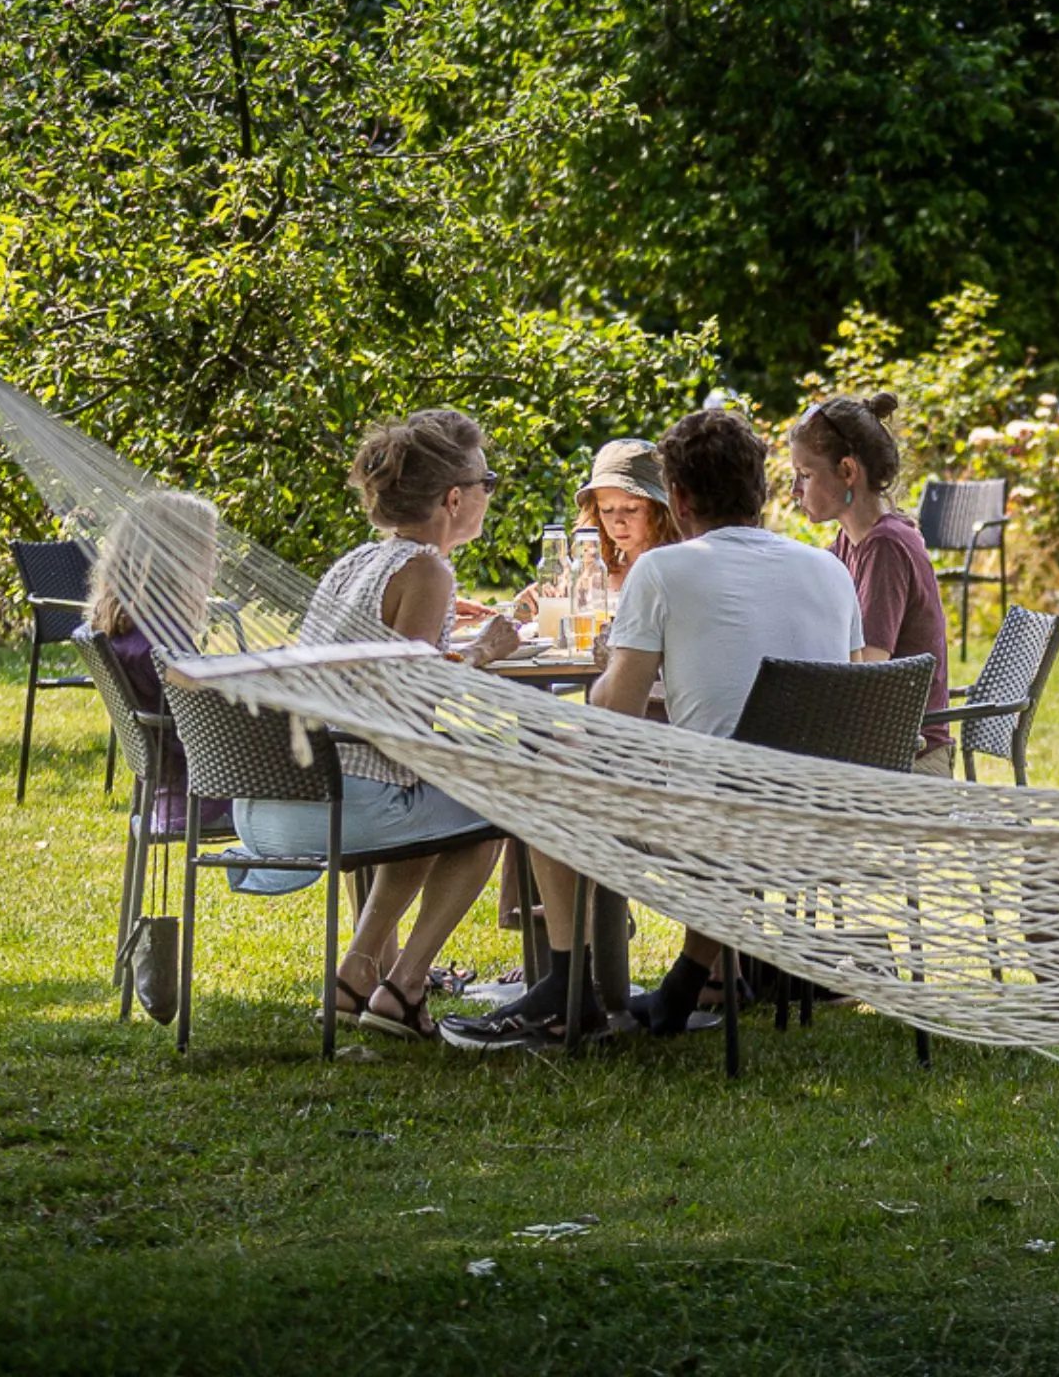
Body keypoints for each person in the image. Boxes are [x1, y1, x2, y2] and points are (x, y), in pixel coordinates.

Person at [443, 408, 861, 1050]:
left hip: (714, 832)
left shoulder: (662, 572)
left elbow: (613, 722)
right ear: (765, 490)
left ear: (681, 499)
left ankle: (569, 984)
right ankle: (684, 976)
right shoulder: (830, 570)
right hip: (824, 823)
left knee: (546, 768)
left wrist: (611, 666)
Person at [237, 409, 519, 1043]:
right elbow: (409, 706)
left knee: (437, 790)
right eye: (486, 484)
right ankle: (406, 986)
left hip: (278, 795)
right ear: (455, 498)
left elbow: (374, 678)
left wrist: (449, 643)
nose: (487, 496)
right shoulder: (428, 571)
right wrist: (482, 653)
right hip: (342, 804)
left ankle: (357, 977)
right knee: (496, 807)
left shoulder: (355, 563)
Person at [791, 392, 953, 773]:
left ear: (847, 471)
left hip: (911, 760)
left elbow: (869, 670)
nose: (794, 490)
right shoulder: (851, 542)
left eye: (806, 475)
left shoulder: (885, 546)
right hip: (879, 747)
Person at [85, 489, 231, 839]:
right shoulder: (160, 643)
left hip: (165, 799)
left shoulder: (126, 629)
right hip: (204, 803)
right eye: (207, 551)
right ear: (178, 559)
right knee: (360, 800)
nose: (215, 563)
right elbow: (203, 736)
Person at [513, 437, 678, 618]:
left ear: (661, 510)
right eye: (606, 510)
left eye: (631, 509)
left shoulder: (678, 570)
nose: (618, 521)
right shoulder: (588, 573)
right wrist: (526, 607)